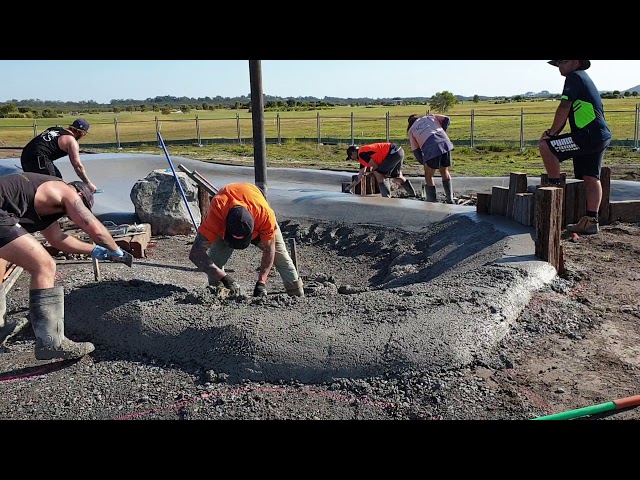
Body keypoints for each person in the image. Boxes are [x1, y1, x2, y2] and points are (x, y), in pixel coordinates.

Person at [0, 172, 129, 360]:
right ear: (79, 195)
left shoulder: (45, 204)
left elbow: (57, 239)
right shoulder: (64, 190)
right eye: (81, 207)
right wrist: (116, 249)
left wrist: (94, 251)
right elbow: (91, 225)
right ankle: (51, 342)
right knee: (44, 266)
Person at [189, 182, 304, 298]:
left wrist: (261, 282)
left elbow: (269, 250)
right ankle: (217, 291)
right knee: (214, 260)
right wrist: (224, 278)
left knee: (281, 257)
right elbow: (195, 254)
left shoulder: (265, 215)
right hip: (225, 218)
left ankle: (297, 295)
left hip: (257, 211)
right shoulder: (217, 213)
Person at [540, 60, 612, 235]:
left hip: (587, 136)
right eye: (556, 63)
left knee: (546, 146)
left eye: (562, 62)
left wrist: (552, 134)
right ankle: (591, 220)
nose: (559, 66)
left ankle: (554, 192)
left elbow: (564, 107)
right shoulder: (583, 78)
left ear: (575, 62)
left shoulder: (573, 77)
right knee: (591, 177)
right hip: (599, 136)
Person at [20, 118, 98, 193]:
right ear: (82, 133)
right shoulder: (71, 141)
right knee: (57, 185)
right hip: (38, 158)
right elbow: (77, 166)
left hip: (25, 155)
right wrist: (88, 183)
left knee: (57, 179)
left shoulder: (54, 128)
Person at [407, 113, 455, 203]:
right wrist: (443, 131)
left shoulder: (412, 130)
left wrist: (424, 162)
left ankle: (432, 202)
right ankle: (450, 199)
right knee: (444, 171)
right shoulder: (430, 117)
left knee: (428, 176)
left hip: (431, 148)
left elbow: (416, 151)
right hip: (445, 143)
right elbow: (447, 119)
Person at [343, 142, 416, 198]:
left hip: (392, 152)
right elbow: (360, 176)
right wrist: (349, 187)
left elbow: (375, 167)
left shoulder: (361, 154)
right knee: (396, 176)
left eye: (351, 157)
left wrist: (372, 173)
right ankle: (413, 194)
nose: (352, 159)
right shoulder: (362, 158)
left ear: (353, 153)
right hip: (398, 151)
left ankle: (386, 198)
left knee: (379, 174)